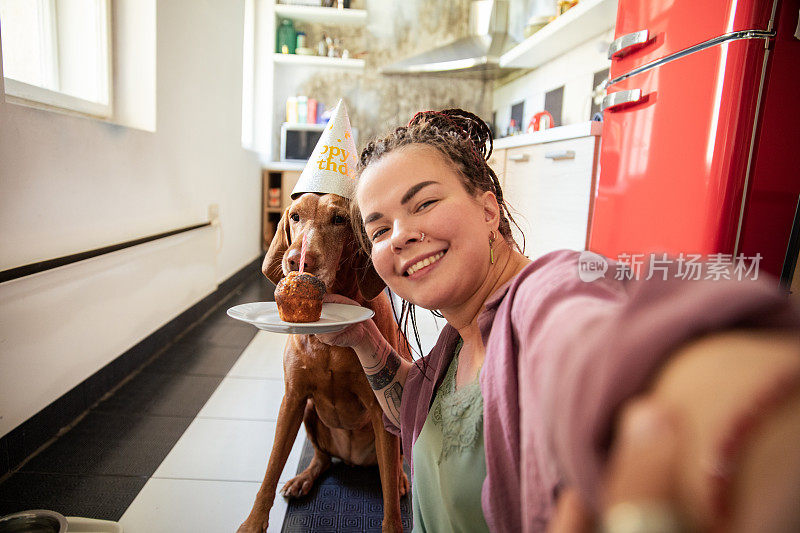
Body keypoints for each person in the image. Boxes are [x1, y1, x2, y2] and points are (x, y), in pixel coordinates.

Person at [317, 109, 800, 532]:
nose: (400, 235)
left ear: (488, 210)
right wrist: (364, 338)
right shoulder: (455, 342)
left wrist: (733, 422)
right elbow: (419, 415)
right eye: (379, 228)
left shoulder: (548, 295)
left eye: (424, 203)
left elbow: (598, 348)